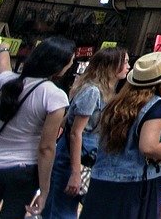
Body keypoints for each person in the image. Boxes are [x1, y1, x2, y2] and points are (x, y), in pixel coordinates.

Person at [0, 36, 74, 219]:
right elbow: (46, 148)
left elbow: (3, 62)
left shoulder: (8, 82)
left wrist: (3, 48)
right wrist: (44, 191)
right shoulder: (55, 96)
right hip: (24, 171)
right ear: (60, 65)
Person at [82, 52, 161, 219]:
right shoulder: (155, 106)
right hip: (136, 182)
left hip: (103, 178)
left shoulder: (117, 102)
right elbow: (149, 147)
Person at [44, 47, 131, 219]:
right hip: (72, 160)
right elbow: (76, 133)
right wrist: (75, 173)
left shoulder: (105, 91)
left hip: (84, 159)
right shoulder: (92, 92)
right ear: (112, 66)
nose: (129, 66)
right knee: (62, 211)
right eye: (125, 62)